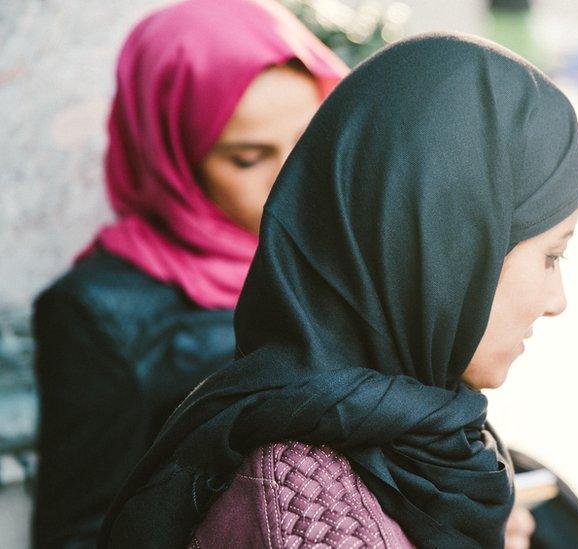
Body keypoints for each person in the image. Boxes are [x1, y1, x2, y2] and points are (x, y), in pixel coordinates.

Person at [98, 33, 578, 549]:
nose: (557, 299)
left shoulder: (417, 429)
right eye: (551, 255)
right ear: (448, 253)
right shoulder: (303, 495)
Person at [30, 1, 348, 547]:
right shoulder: (98, 312)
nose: (293, 178)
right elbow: (81, 531)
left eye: (309, 141)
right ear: (171, 155)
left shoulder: (345, 263)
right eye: (248, 157)